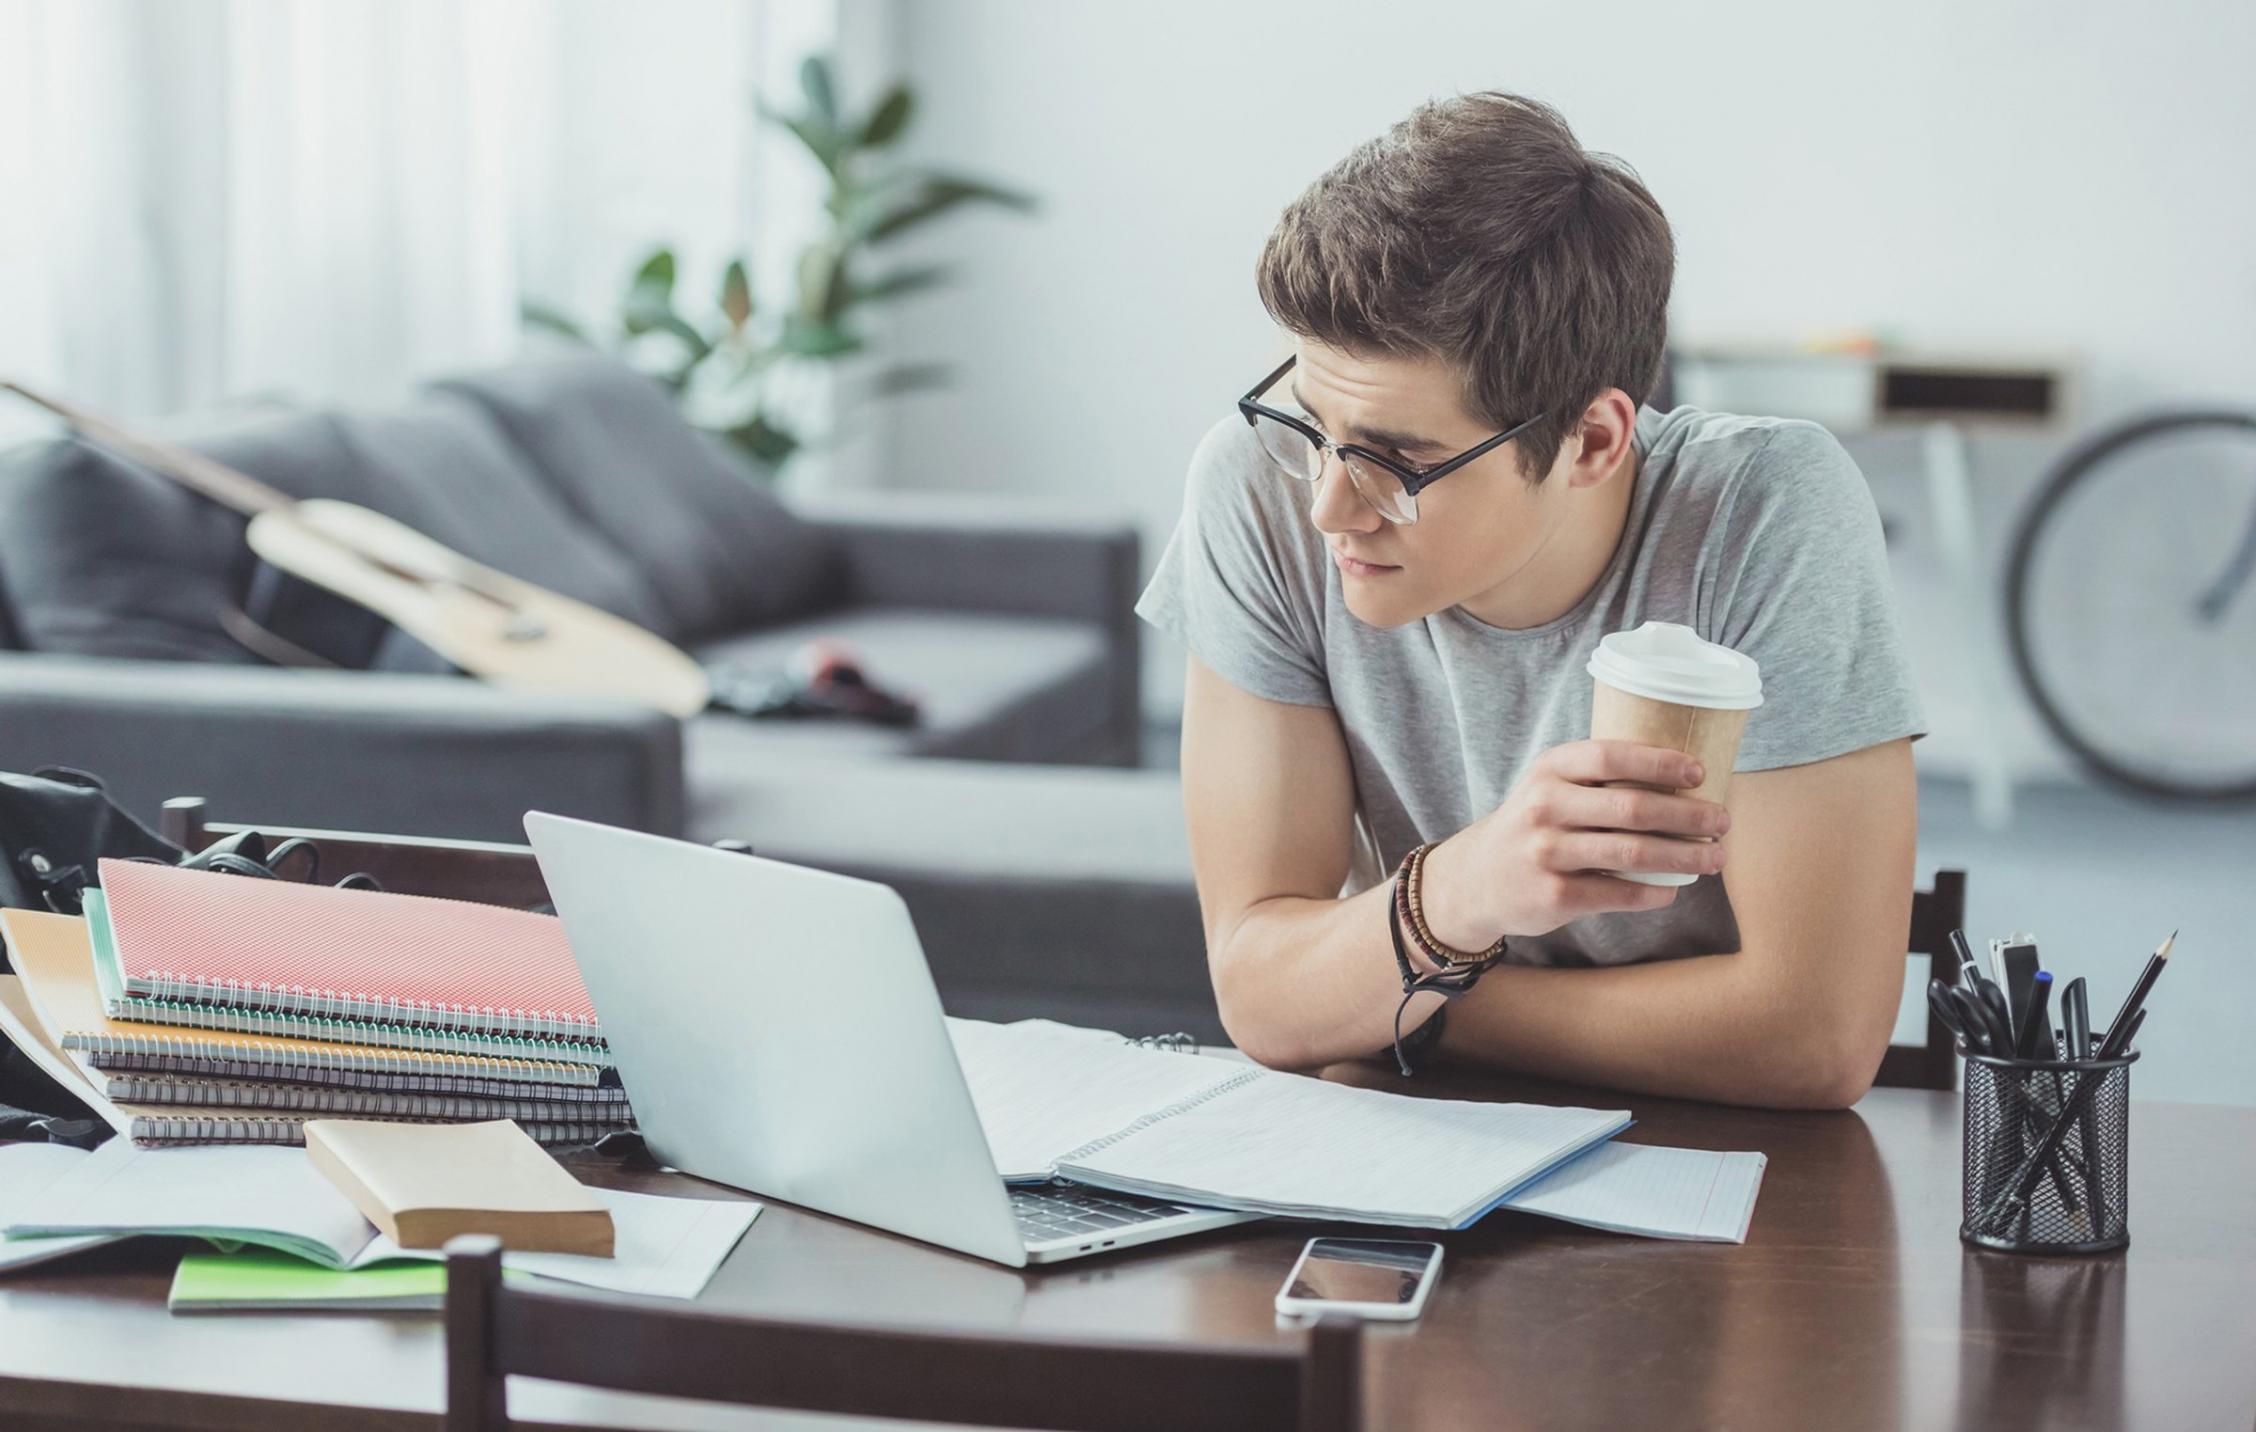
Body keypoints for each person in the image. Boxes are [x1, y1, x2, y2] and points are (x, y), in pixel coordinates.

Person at [1137, 93, 1924, 1109]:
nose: (1331, 504)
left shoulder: (1763, 510)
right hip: (1409, 1164)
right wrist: (1469, 886)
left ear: (1594, 442)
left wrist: (1403, 1002)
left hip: (1716, 1172)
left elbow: (1813, 1038)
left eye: (1398, 459)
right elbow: (1259, 995)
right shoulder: (1260, 482)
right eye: (1313, 421)